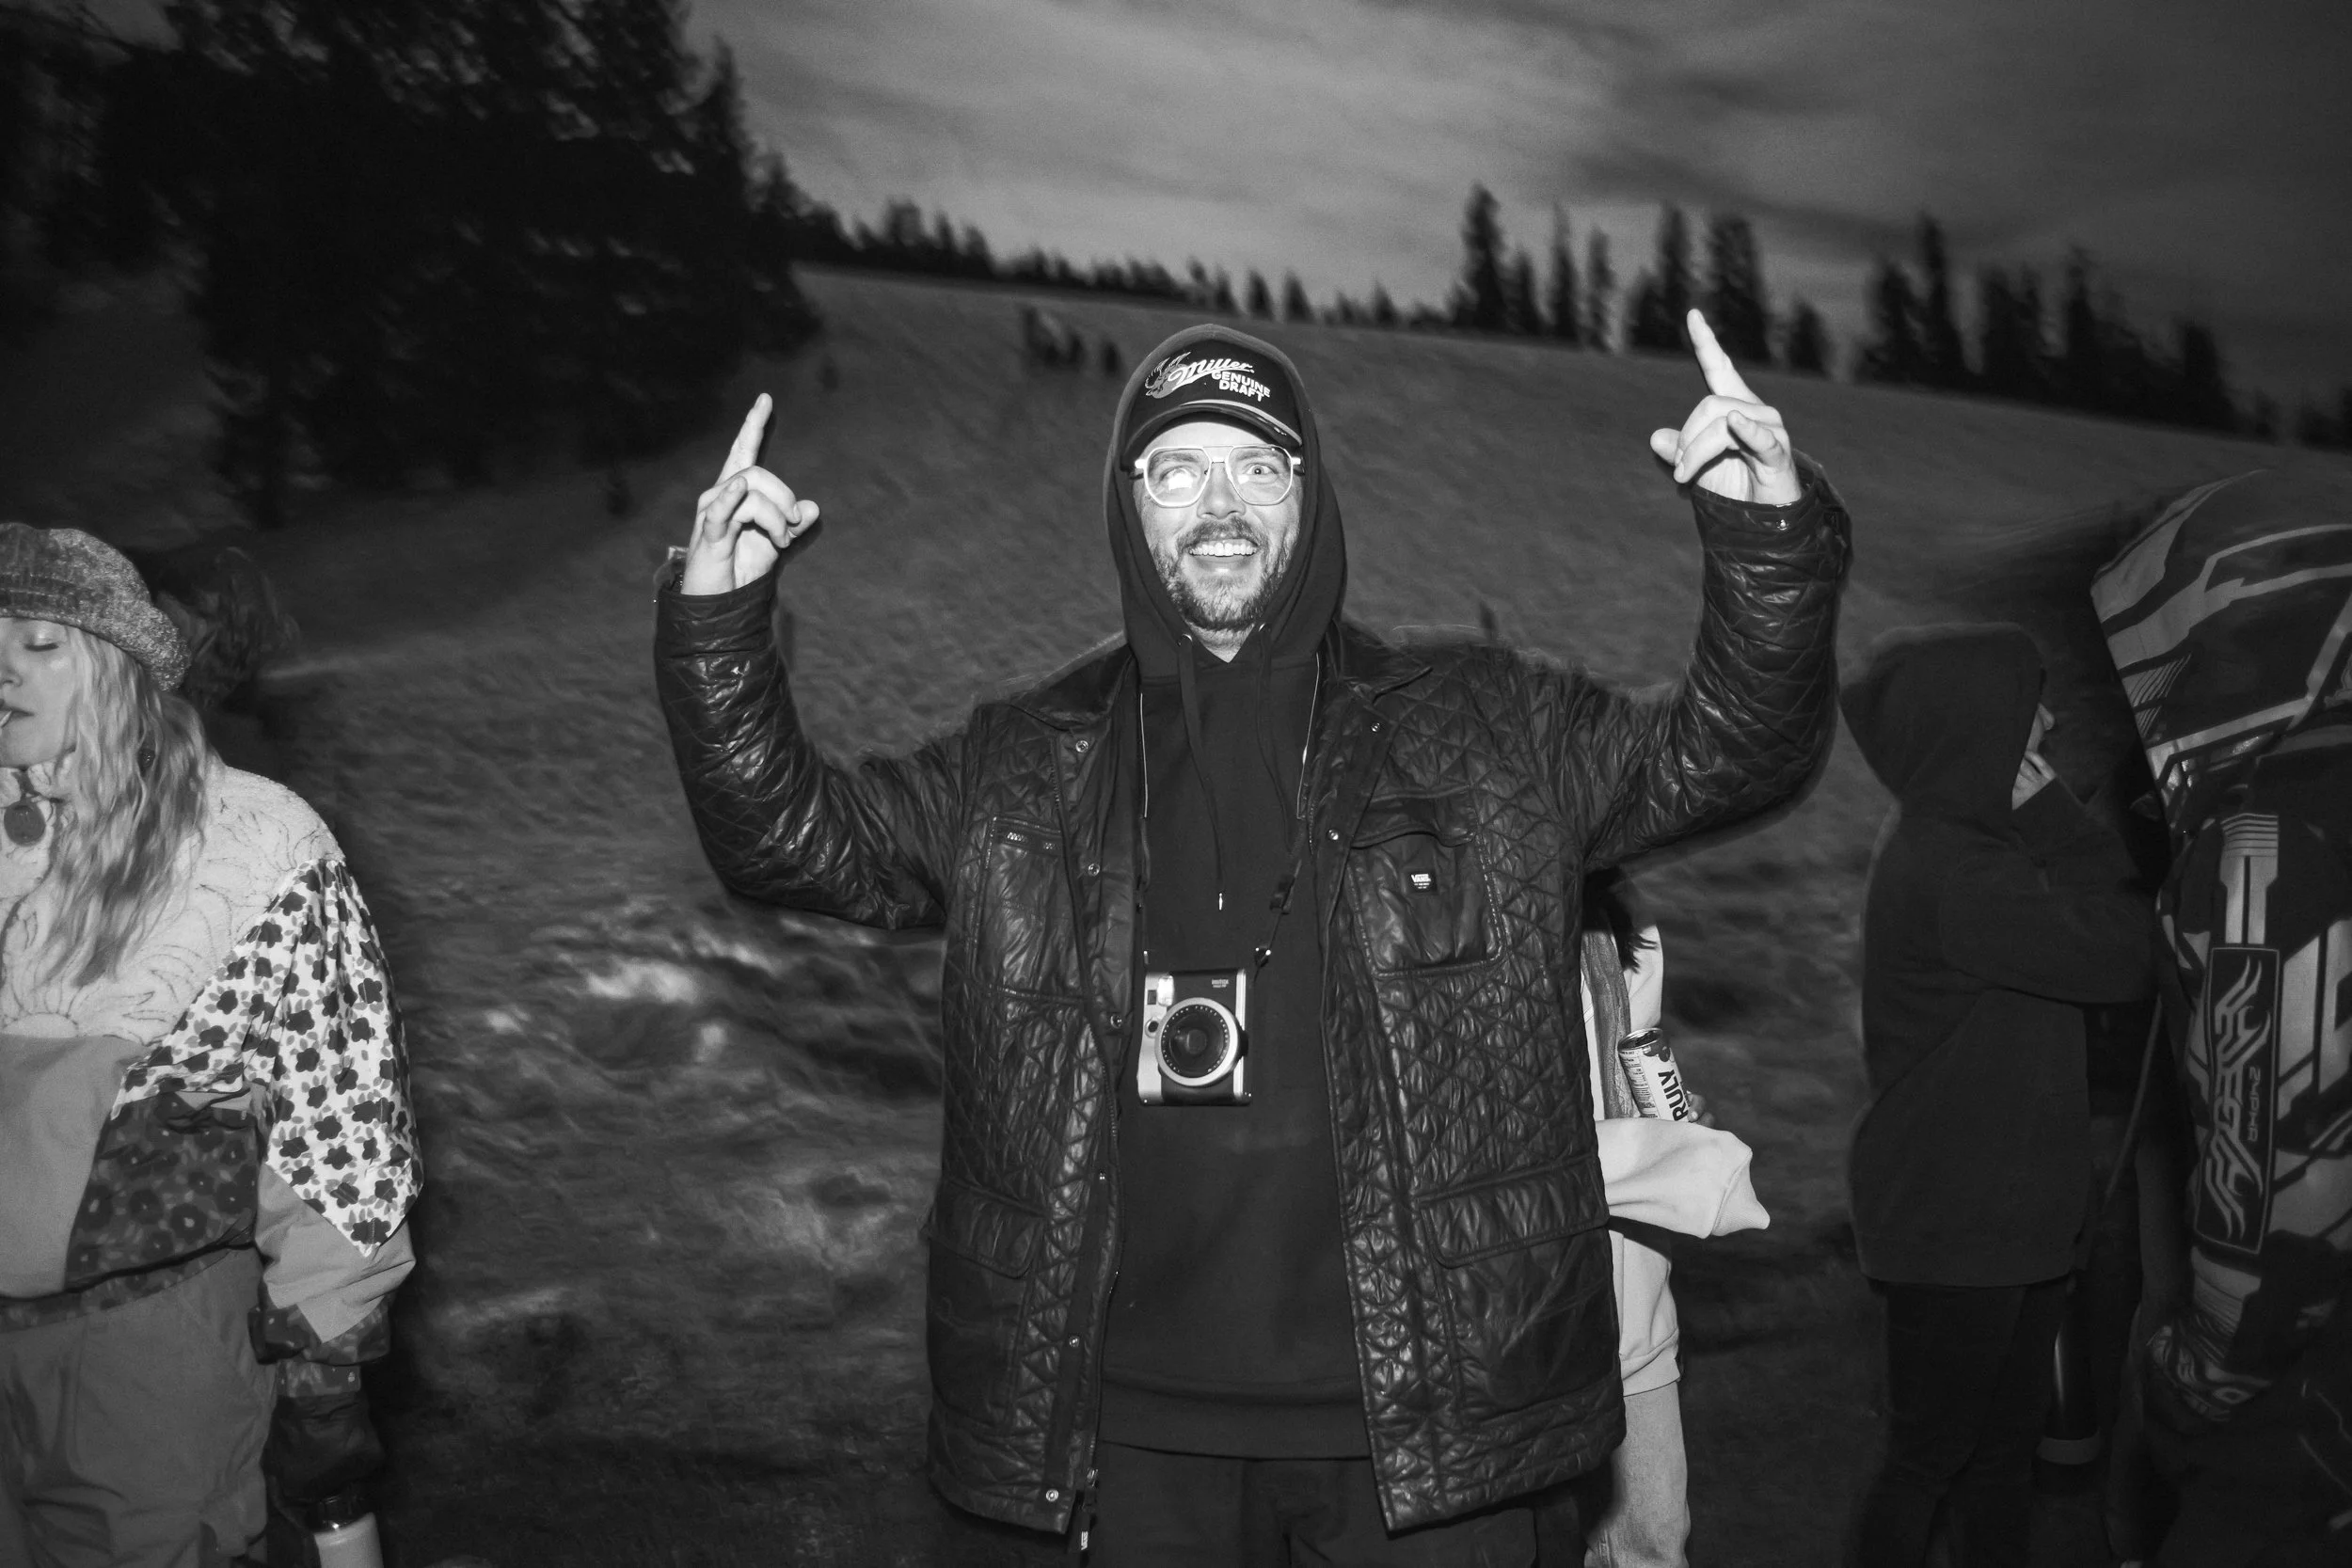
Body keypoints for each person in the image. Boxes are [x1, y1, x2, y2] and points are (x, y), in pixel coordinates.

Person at [655, 311, 1851, 1561]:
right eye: (1176, 469)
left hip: (1429, 1432)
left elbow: (1726, 754)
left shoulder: (1487, 727)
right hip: (1120, 1442)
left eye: (1255, 466)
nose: (1217, 505)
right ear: (1131, 508)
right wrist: (719, 626)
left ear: (1307, 493)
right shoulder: (1023, 763)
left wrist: (1766, 540)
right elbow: (790, 840)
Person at [0, 525, 418, 1566]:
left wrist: (324, 1375)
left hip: (147, 1349)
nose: (3, 662)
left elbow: (338, 1126)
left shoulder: (252, 843)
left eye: (42, 640)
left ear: (118, 666)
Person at [1837, 622, 2160, 1568]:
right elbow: (2127, 951)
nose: (2050, 719)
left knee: (1991, 1459)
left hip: (1992, 1215)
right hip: (1958, 1221)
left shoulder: (1965, 846)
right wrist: (2059, 812)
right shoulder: (1962, 872)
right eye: (2028, 706)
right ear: (1971, 727)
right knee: (1930, 1460)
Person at [2088, 465, 2352, 1565]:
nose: (2166, 696)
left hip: (2299, 1414)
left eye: (2195, 655)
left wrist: (2190, 1376)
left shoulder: (2258, 850)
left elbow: (2275, 1193)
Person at [1575, 870, 1691, 1568]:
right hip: (1522, 1325)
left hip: (1634, 1319)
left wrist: (1672, 1125)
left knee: (1652, 1545)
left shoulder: (1629, 926)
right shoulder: (1463, 910)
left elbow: (1628, 1063)